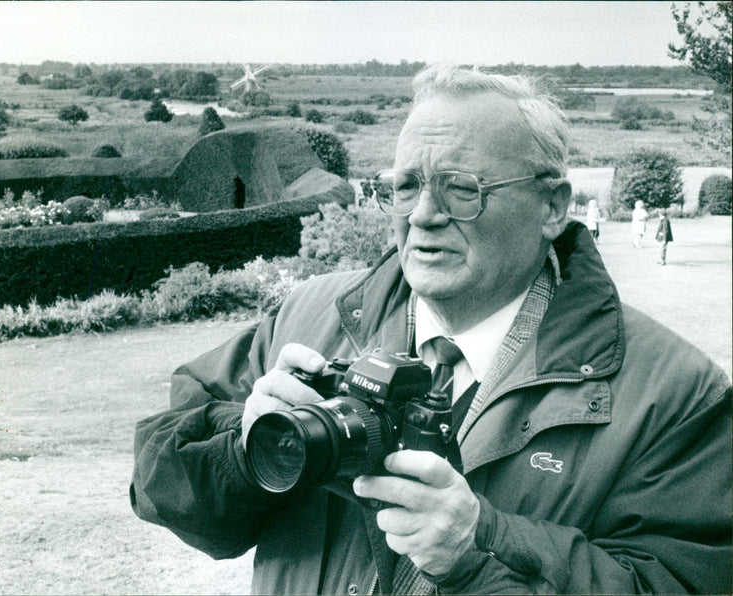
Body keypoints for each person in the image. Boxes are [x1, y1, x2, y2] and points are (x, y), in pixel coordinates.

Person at [131, 64, 732, 594]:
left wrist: (479, 550)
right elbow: (157, 479)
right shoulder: (311, 316)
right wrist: (249, 448)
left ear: (552, 208)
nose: (422, 215)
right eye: (407, 185)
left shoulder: (672, 395)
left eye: (462, 189)